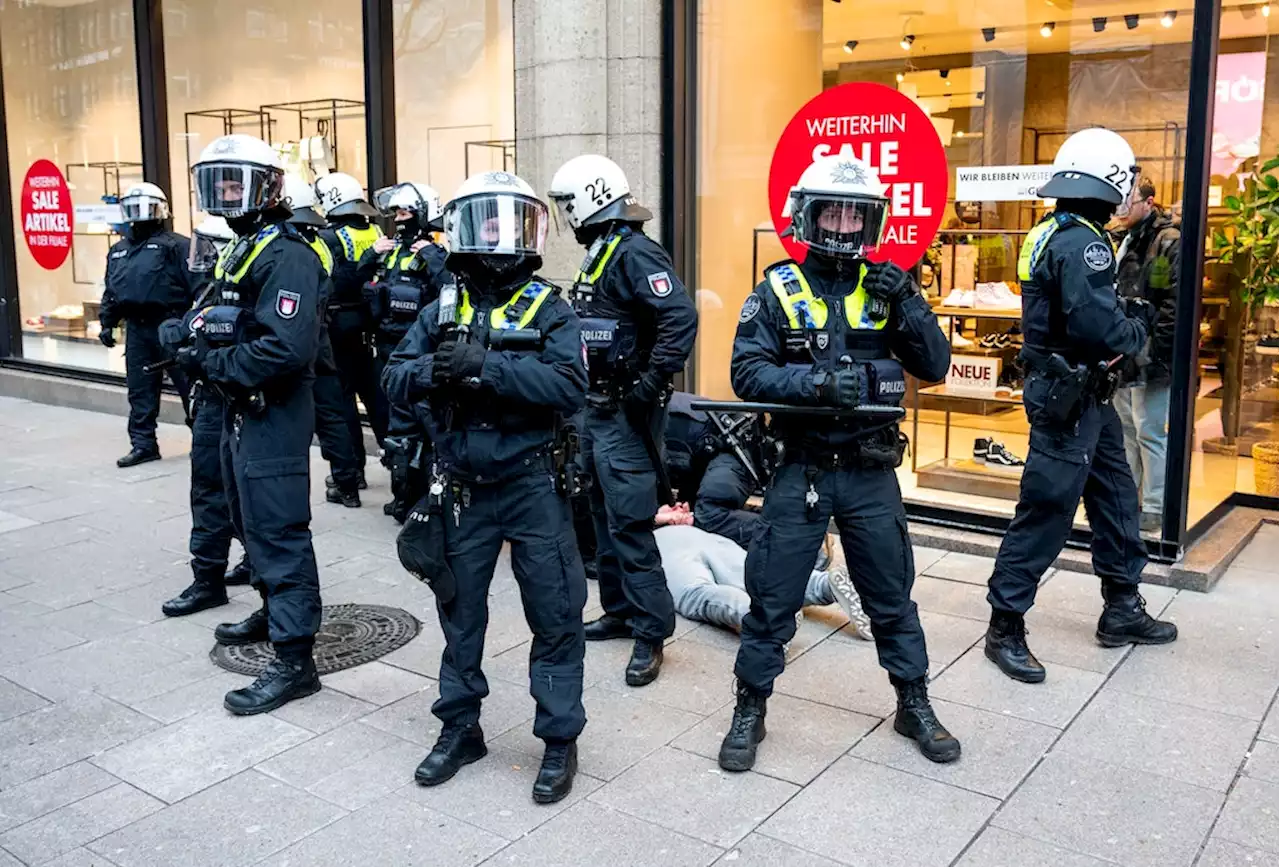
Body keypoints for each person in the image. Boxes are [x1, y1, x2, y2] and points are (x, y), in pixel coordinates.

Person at [718, 153, 960, 772]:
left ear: (871, 220)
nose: (845, 224)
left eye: (857, 214)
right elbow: (746, 371)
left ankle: (914, 702)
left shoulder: (888, 286)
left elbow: (934, 366)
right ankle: (751, 706)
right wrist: (816, 385)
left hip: (870, 472)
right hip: (801, 469)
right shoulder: (777, 288)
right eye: (834, 210)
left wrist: (908, 300)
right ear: (809, 215)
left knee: (890, 595)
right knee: (771, 596)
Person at [382, 170, 589, 804]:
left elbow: (570, 387)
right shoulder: (442, 304)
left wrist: (488, 368)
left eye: (513, 223)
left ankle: (558, 740)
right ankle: (460, 727)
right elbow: (390, 376)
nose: (500, 238)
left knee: (554, 612)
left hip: (531, 485)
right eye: (487, 222)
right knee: (459, 611)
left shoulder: (551, 308)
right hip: (462, 487)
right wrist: (431, 373)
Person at [984, 128, 1177, 686]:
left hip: (1078, 395)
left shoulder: (1053, 229)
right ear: (1112, 183)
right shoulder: (1085, 242)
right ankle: (1005, 626)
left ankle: (1122, 606)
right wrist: (1137, 323)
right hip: (1070, 397)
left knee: (1116, 498)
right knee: (1046, 511)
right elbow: (1098, 326)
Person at [187, 134, 326, 715]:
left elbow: (283, 349)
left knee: (278, 527)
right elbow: (224, 315)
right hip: (239, 405)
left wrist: (208, 359)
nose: (226, 196)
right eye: (217, 183)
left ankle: (296, 660)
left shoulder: (287, 252)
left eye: (236, 182)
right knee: (246, 516)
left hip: (274, 407)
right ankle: (274, 611)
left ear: (267, 187)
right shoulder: (243, 247)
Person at [547, 154, 698, 687]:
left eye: (569, 204)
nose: (566, 214)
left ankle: (651, 632)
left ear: (592, 197)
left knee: (631, 523)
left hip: (624, 413)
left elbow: (679, 316)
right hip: (596, 406)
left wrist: (652, 383)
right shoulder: (600, 252)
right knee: (601, 512)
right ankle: (619, 610)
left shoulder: (635, 252)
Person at [159, 217, 254, 617]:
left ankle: (250, 568)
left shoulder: (242, 289)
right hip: (211, 403)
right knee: (210, 491)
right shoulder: (209, 291)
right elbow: (185, 329)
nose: (201, 258)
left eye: (209, 248)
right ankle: (208, 578)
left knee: (241, 494)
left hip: (234, 402)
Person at [361, 182, 451, 521]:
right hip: (387, 347)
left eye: (405, 213)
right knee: (394, 429)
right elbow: (358, 287)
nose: (399, 220)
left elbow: (451, 290)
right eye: (396, 213)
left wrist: (430, 256)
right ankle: (402, 495)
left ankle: (425, 498)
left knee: (423, 431)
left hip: (420, 353)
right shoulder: (392, 250)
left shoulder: (438, 253)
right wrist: (372, 255)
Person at [655, 502, 868, 638]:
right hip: (692, 533)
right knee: (754, 575)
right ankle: (824, 585)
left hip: (658, 542)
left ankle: (761, 618)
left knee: (698, 594)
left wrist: (656, 518)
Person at [282, 174, 364, 509]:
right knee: (333, 414)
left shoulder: (288, 250)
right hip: (322, 338)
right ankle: (347, 483)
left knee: (299, 419)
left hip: (294, 342)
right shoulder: (318, 243)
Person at [98, 182, 195, 467]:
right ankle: (143, 445)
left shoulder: (177, 245)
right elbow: (112, 290)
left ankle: (204, 442)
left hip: (172, 324)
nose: (139, 214)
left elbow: (199, 287)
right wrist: (108, 322)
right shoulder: (118, 250)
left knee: (191, 387)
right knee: (140, 390)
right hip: (137, 329)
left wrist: (193, 325)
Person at [1112, 177, 1179, 535]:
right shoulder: (1125, 239)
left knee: (1150, 430)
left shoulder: (1167, 241)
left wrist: (1156, 353)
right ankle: (1128, 501)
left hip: (1149, 352)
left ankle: (1153, 506)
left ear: (1149, 203)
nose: (1122, 209)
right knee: (1126, 428)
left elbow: (1172, 305)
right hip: (1125, 349)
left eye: (1129, 201)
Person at [316, 172, 385, 501]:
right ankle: (398, 464)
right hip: (370, 322)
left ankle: (352, 472)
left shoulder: (329, 237)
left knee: (342, 401)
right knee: (377, 397)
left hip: (338, 323)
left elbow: (329, 281)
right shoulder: (375, 230)